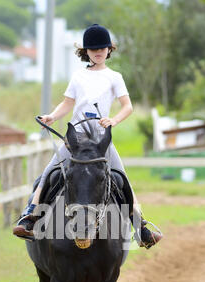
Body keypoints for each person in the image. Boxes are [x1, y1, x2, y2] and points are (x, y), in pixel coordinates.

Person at [13, 24, 162, 249]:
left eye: (102, 48)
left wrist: (113, 120)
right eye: (93, 49)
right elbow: (68, 103)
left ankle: (140, 228)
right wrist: (52, 117)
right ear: (86, 52)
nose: (98, 52)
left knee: (123, 180)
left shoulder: (114, 77)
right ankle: (30, 215)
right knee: (49, 173)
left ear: (109, 49)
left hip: (101, 140)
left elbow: (127, 106)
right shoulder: (78, 76)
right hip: (76, 138)